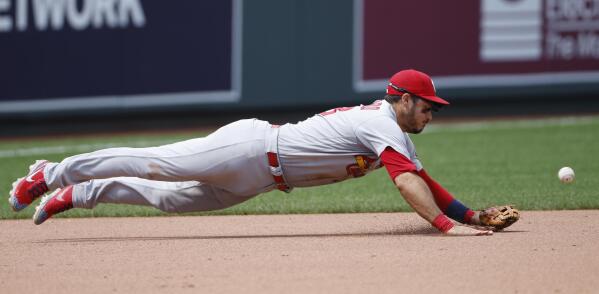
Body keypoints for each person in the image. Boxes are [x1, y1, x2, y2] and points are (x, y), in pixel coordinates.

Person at [8, 69, 518, 235]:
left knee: (169, 200)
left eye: (434, 109)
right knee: (155, 162)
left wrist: (472, 215)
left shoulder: (397, 137)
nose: (432, 114)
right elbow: (408, 186)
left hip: (260, 179)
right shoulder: (379, 123)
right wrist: (449, 230)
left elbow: (425, 183)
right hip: (250, 146)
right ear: (403, 99)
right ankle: (49, 174)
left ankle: (80, 193)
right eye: (427, 106)